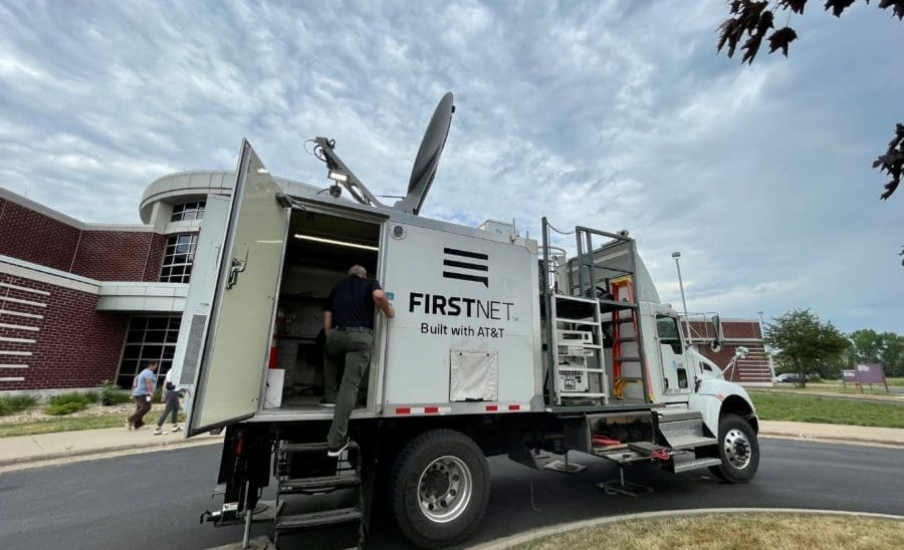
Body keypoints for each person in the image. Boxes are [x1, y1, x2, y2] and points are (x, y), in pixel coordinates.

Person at [322, 265, 394, 457]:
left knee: (329, 354)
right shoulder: (370, 283)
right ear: (363, 275)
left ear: (349, 275)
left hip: (337, 333)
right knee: (349, 385)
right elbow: (379, 296)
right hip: (360, 338)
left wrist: (331, 339)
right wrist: (389, 311)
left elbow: (327, 317)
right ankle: (335, 443)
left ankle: (329, 397)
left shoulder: (338, 287)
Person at [154, 369, 190, 435]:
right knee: (167, 411)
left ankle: (175, 426)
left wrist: (163, 393)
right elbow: (181, 383)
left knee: (176, 408)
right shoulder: (178, 371)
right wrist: (189, 392)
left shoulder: (171, 370)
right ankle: (157, 429)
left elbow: (166, 381)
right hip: (173, 393)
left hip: (170, 392)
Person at [127, 361, 158, 430]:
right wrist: (151, 392)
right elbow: (148, 382)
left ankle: (138, 423)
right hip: (143, 393)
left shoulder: (143, 371)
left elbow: (136, 379)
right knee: (146, 407)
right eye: (156, 365)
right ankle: (130, 420)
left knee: (140, 408)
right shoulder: (149, 372)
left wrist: (134, 388)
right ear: (151, 365)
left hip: (138, 393)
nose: (156, 367)